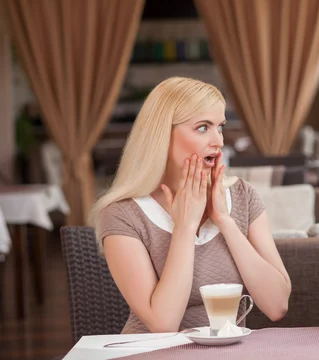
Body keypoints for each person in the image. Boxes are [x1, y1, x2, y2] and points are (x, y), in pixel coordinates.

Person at [90, 77, 291, 333]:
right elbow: (163, 325)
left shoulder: (242, 196)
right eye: (202, 127)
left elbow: (277, 306)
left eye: (220, 127)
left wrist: (225, 221)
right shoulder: (122, 215)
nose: (218, 141)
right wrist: (185, 227)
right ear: (162, 134)